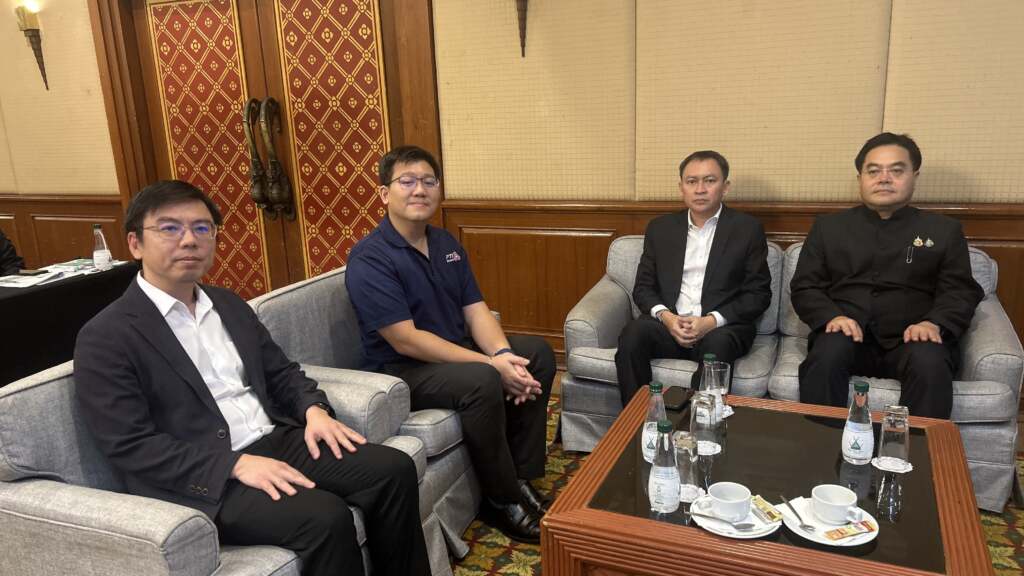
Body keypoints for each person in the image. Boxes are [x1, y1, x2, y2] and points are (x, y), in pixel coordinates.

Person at [74, 181, 429, 576]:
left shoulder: (228, 304)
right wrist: (234, 464)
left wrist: (314, 410)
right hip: (207, 476)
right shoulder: (106, 336)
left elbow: (281, 372)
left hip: (274, 439)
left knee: (393, 469)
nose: (189, 240)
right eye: (169, 228)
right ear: (135, 244)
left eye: (202, 228)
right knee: (324, 517)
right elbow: (130, 445)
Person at [345, 145, 556, 544]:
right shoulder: (370, 258)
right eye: (407, 181)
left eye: (429, 181)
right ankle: (500, 499)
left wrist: (503, 355)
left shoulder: (445, 244)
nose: (419, 190)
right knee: (481, 379)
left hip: (451, 353)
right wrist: (489, 365)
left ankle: (520, 476)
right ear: (385, 194)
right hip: (402, 369)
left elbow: (475, 310)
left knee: (536, 354)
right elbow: (406, 339)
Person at [791, 133, 983, 418]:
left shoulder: (944, 230)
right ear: (860, 178)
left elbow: (960, 290)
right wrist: (832, 317)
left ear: (914, 176)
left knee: (930, 361)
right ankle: (819, 443)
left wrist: (934, 323)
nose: (884, 179)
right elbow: (805, 286)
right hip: (848, 335)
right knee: (826, 355)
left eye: (896, 170)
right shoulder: (828, 228)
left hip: (912, 339)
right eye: (873, 171)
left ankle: (917, 446)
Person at [615, 150, 772, 407]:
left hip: (720, 329)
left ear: (725, 187)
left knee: (718, 347)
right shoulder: (661, 228)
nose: (700, 189)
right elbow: (643, 288)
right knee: (633, 335)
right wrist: (667, 318)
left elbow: (758, 294)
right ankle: (639, 419)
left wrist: (710, 321)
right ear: (681, 188)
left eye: (709, 181)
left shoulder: (747, 229)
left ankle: (700, 424)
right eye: (692, 181)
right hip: (670, 324)